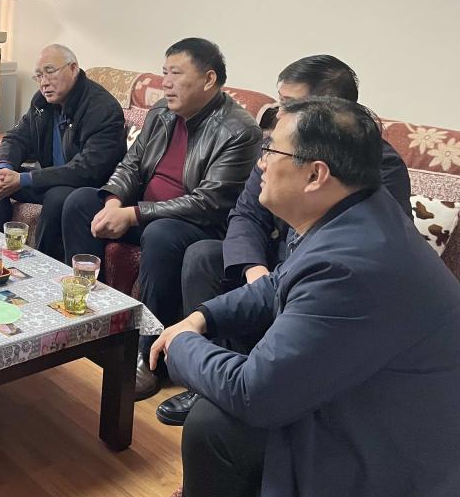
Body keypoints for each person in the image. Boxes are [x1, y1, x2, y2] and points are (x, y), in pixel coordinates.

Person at [151, 97, 460, 497]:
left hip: (391, 447)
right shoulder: (358, 210)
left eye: (270, 150)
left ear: (316, 174)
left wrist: (179, 344)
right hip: (368, 394)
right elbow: (278, 282)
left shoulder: (351, 266)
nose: (261, 163)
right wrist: (202, 317)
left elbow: (253, 394)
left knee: (215, 424)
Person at [158, 54, 412, 426]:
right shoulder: (281, 146)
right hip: (276, 264)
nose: (277, 114)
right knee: (204, 256)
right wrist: (253, 270)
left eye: (290, 104)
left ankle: (234, 379)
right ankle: (215, 377)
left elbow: (341, 258)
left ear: (329, 109)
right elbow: (246, 213)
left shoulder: (370, 171)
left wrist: (188, 346)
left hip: (314, 281)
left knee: (211, 426)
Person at [61, 38, 261, 399]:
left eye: (176, 74)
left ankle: (148, 354)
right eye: (164, 73)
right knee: (79, 202)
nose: (165, 83)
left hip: (196, 226)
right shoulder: (162, 113)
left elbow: (209, 202)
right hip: (144, 213)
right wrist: (113, 201)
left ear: (209, 79)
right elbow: (131, 165)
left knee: (161, 235)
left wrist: (133, 214)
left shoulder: (238, 130)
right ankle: (91, 321)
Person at [0, 44, 126, 260]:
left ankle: (43, 266)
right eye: (38, 76)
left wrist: (23, 179)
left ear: (73, 68)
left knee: (58, 197)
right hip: (50, 179)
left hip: (85, 188)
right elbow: (17, 137)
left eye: (50, 72)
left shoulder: (102, 108)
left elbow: (87, 170)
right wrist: (4, 169)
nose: (44, 82)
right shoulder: (41, 102)